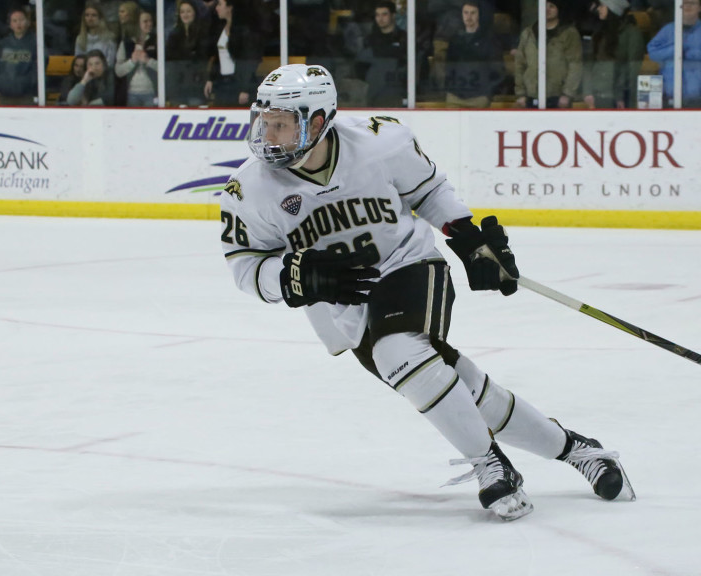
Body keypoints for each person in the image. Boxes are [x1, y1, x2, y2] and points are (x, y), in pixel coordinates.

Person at [221, 64, 635, 520]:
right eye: (265, 121)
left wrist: (467, 237)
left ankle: (489, 464)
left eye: (282, 124)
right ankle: (578, 449)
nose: (269, 135)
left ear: (318, 121)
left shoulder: (381, 142)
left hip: (409, 265)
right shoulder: (250, 188)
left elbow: (429, 189)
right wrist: (291, 278)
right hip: (347, 307)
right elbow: (245, 265)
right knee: (466, 391)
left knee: (399, 352)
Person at [648, 0, 701, 107]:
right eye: (684, 3)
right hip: (671, 98)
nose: (688, 6)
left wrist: (696, 53)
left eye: (692, 3)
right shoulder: (667, 31)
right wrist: (675, 50)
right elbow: (652, 53)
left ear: (700, 7)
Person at [514, 0, 583, 108]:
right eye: (544, 5)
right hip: (531, 96)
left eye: (552, 6)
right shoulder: (528, 33)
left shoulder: (569, 33)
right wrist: (520, 93)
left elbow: (575, 64)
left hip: (558, 97)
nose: (547, 9)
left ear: (558, 9)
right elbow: (519, 64)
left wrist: (567, 94)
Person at [582, 0, 645, 109]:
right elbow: (589, 64)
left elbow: (632, 68)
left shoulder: (631, 33)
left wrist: (621, 96)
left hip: (618, 99)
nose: (598, 9)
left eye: (602, 6)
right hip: (596, 96)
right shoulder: (599, 32)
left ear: (612, 9)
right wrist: (587, 91)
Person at [444, 0, 503, 108]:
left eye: (473, 13)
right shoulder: (455, 40)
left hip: (479, 98)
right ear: (461, 15)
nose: (469, 16)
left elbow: (497, 69)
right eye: (466, 13)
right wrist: (450, 89)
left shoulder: (489, 40)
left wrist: (487, 93)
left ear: (479, 15)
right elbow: (448, 67)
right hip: (455, 97)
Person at [359, 1, 408, 107]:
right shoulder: (369, 40)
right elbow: (360, 66)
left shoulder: (404, 38)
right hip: (374, 93)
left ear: (393, 15)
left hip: (396, 91)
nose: (380, 18)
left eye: (384, 14)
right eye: (377, 15)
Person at [166, 0, 210, 107]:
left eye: (188, 11)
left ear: (194, 13)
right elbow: (170, 57)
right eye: (182, 12)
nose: (185, 15)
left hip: (196, 84)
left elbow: (202, 56)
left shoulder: (202, 33)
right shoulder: (174, 35)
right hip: (178, 84)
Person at [0, 7, 39, 105]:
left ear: (28, 22)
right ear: (10, 24)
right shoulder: (3, 44)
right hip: (5, 95)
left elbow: (39, 68)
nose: (18, 23)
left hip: (26, 96)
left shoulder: (36, 44)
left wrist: (28, 84)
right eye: (15, 21)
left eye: (21, 20)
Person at [115, 10, 158, 106]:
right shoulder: (126, 44)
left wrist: (148, 61)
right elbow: (118, 71)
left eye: (151, 21)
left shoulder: (157, 41)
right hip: (130, 93)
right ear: (137, 24)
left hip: (152, 93)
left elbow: (165, 69)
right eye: (145, 21)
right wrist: (132, 62)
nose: (149, 24)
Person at [75, 3, 118, 68]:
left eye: (94, 15)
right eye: (87, 15)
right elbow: (78, 61)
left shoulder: (109, 38)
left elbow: (110, 63)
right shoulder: (80, 39)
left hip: (104, 75)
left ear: (100, 18)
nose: (90, 18)